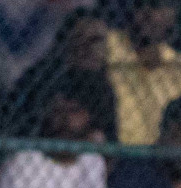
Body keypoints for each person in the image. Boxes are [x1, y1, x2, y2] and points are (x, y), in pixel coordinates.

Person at [107, 0, 181, 145]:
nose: (149, 14)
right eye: (141, 4)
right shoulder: (107, 49)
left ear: (172, 14)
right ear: (130, 9)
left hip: (166, 161)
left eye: (158, 6)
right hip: (116, 155)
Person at [11, 8, 117, 142]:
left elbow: (110, 138)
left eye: (97, 40)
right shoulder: (43, 78)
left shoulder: (102, 86)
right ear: (68, 42)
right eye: (80, 38)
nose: (90, 48)